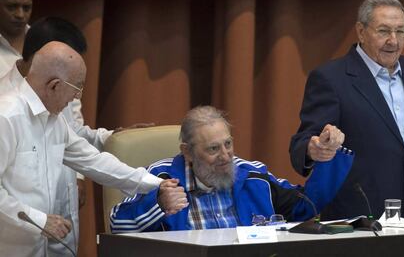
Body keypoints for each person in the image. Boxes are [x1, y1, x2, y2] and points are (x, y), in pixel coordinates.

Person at [0, 41, 188, 257]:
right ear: (54, 85)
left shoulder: (54, 119)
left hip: (38, 247)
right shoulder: (6, 117)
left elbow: (94, 161)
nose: (78, 97)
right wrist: (40, 220)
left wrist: (155, 183)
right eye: (77, 87)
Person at [109, 106, 353, 233]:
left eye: (228, 144)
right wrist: (158, 205)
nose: (226, 156)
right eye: (213, 149)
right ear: (187, 152)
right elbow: (116, 225)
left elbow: (305, 206)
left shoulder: (253, 176)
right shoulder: (161, 178)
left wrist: (327, 156)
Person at [289, 0, 404, 220]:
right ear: (361, 31)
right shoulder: (331, 78)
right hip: (361, 220)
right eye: (384, 31)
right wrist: (315, 148)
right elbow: (302, 142)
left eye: (400, 31)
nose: (393, 41)